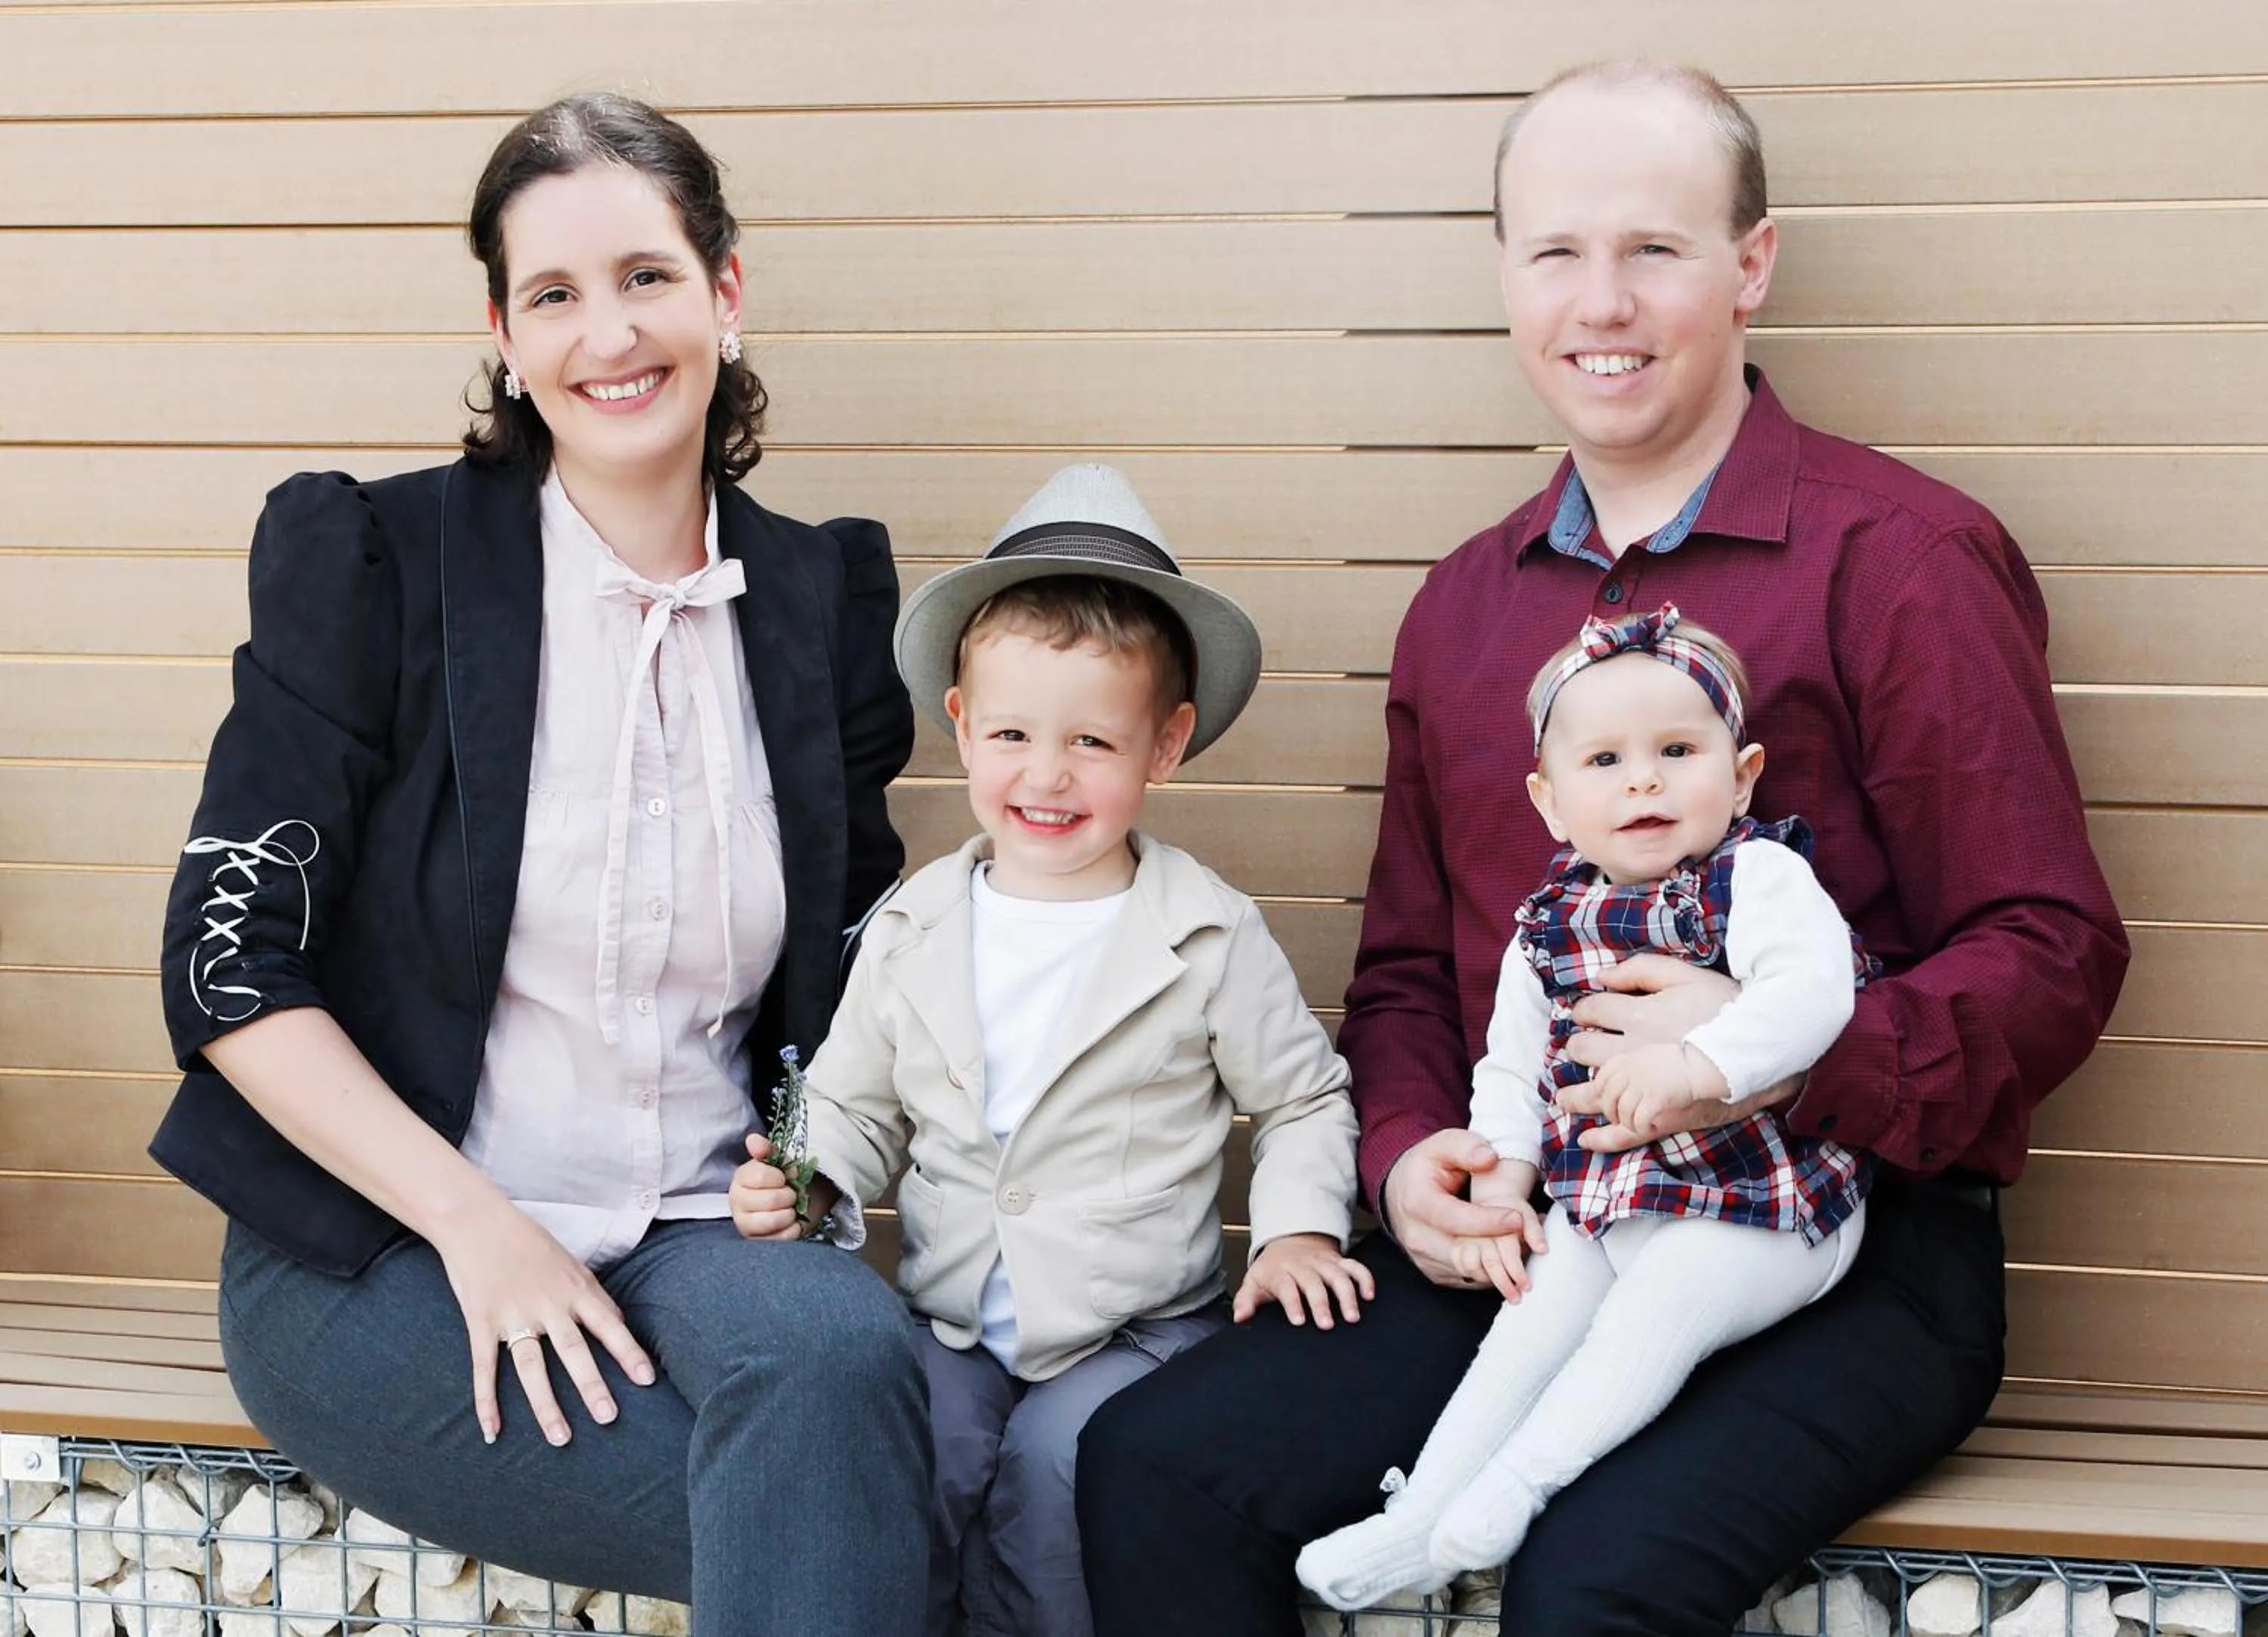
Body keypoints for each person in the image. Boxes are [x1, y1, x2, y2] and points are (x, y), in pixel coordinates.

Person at [1077, 59, 2128, 1636]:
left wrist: (1778, 1048)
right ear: (1505, 275)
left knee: (1592, 1582)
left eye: (1655, 248)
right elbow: (1417, 977)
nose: (1601, 301)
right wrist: (1413, 1161)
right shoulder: (1463, 609)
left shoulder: (1902, 561)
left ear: (1752, 265)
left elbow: (2050, 950)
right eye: (1555, 252)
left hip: (1837, 1237)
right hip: (1556, 1218)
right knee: (1158, 1465)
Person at [155, 93, 930, 1637]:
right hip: (381, 1246)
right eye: (555, 295)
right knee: (852, 1521)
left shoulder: (820, 596)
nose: (609, 334)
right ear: (504, 334)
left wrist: (818, 1150)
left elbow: (856, 958)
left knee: (848, 1361)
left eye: (646, 275)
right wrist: (475, 1227)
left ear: (725, 292)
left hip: (703, 1232)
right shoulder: (374, 563)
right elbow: (228, 964)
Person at [730, 463, 1365, 1637]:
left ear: (1164, 746)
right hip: (956, 1317)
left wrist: (1296, 1228)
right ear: (962, 725)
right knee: (907, 1464)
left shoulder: (1204, 930)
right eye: (1014, 732)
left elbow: (1303, 1101)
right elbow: (857, 1103)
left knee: (1057, 1484)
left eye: (1092, 740)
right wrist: (803, 1172)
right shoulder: (919, 923)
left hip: (1135, 1328)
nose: (1048, 774)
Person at [1298, 605, 1876, 1611]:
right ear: (1551, 801)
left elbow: (1817, 995)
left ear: (1741, 776)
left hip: (1771, 1203)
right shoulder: (1546, 924)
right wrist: (1505, 1173)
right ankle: (1421, 1517)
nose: (1643, 779)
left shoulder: (1761, 878)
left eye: (1678, 751)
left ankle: (1518, 1488)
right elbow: (1510, 1065)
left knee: (1660, 1308)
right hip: (1614, 1198)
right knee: (1531, 1312)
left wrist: (1704, 1060)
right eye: (1604, 759)